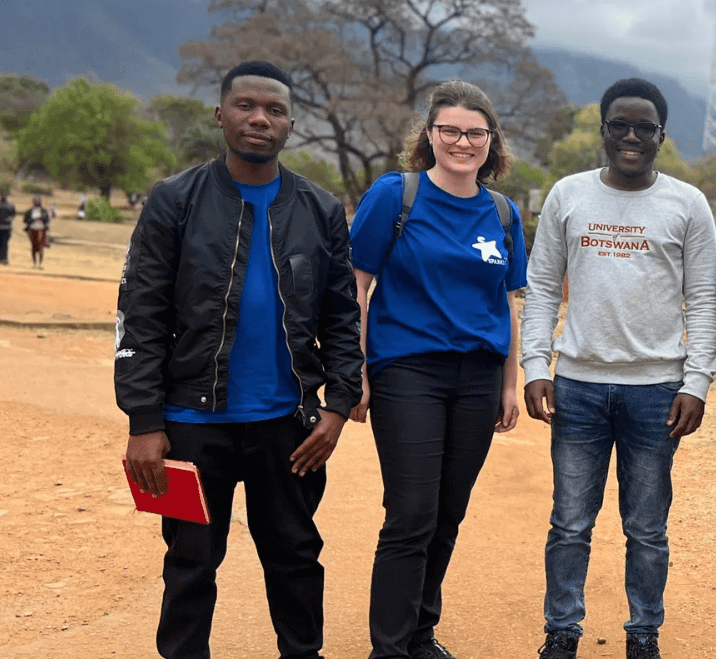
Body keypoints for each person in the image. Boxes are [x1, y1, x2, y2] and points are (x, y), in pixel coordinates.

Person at [115, 60, 364, 659]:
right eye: (247, 106)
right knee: (190, 561)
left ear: (291, 125)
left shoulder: (320, 209)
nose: (260, 118)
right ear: (220, 115)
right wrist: (144, 422)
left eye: (274, 110)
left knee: (296, 557)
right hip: (189, 425)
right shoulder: (175, 200)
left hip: (290, 427)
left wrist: (336, 408)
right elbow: (140, 313)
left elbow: (342, 315)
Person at [522, 77, 716, 659]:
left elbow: (703, 298)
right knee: (569, 524)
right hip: (578, 386)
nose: (631, 136)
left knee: (647, 529)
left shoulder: (688, 204)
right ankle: (561, 632)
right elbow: (539, 288)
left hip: (657, 391)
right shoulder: (567, 195)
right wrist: (537, 364)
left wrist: (697, 382)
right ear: (603, 130)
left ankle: (643, 636)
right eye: (619, 125)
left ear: (661, 135)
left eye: (644, 127)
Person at [347, 80, 528, 659]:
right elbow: (357, 285)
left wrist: (509, 382)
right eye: (449, 130)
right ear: (429, 135)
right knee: (412, 512)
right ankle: (389, 648)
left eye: (475, 132)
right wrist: (358, 369)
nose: (462, 141)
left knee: (449, 511)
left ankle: (421, 634)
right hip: (407, 371)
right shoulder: (394, 196)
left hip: (477, 377)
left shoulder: (502, 212)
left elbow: (506, 301)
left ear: (490, 141)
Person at [23, 195, 51, 269]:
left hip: (41, 229)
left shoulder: (44, 211)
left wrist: (41, 218)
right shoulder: (30, 211)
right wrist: (33, 219)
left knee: (41, 247)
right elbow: (25, 220)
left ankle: (40, 264)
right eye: (35, 201)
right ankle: (34, 263)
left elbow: (47, 220)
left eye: (37, 201)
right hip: (32, 230)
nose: (36, 202)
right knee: (33, 246)